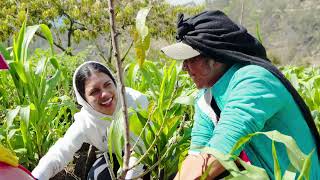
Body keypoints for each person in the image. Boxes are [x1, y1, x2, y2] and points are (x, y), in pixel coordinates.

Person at [161, 10, 320, 179]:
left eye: (191, 59)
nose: (185, 67)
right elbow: (197, 157)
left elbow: (219, 153)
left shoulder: (254, 80)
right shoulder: (206, 96)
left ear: (215, 56)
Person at [32, 61, 147, 180]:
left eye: (107, 84)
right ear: (84, 100)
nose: (105, 94)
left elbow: (141, 149)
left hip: (151, 153)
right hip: (119, 157)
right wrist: (35, 177)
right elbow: (61, 151)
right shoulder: (86, 122)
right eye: (94, 91)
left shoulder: (137, 102)